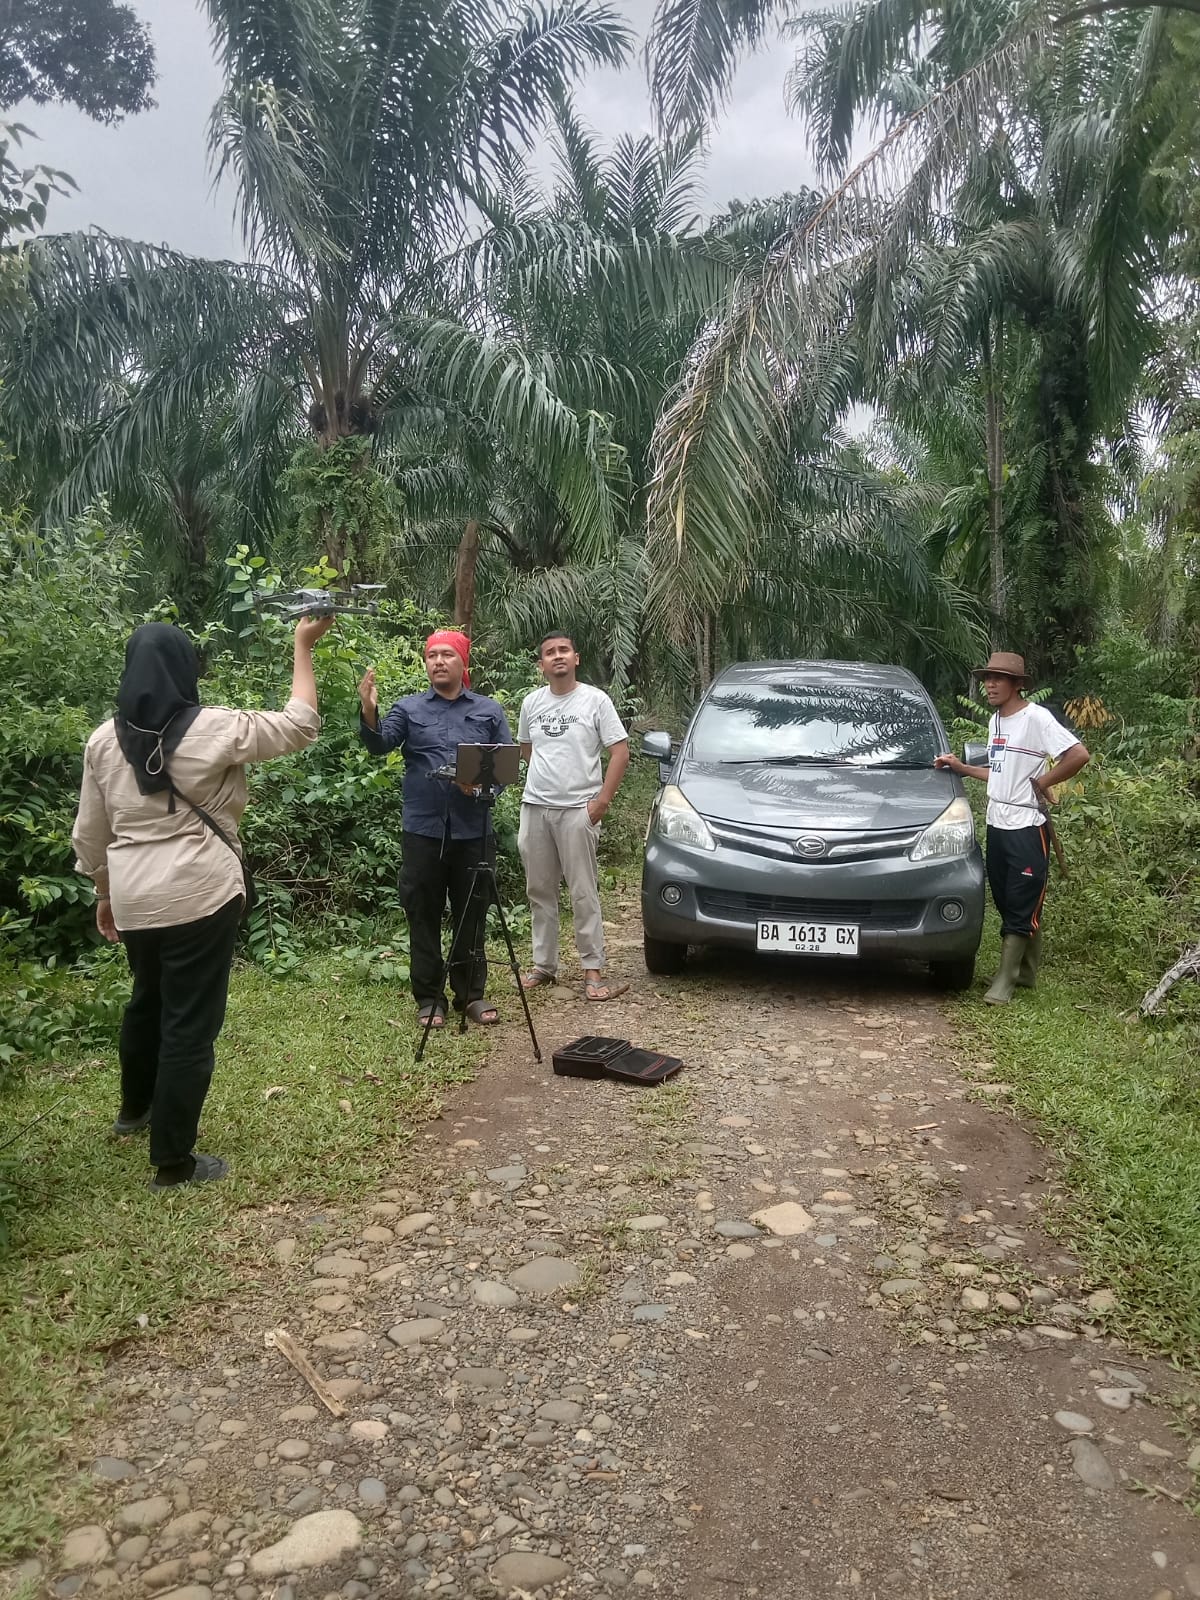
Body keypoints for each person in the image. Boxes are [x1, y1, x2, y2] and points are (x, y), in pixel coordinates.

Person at [72, 615, 333, 1188]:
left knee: (147, 1000)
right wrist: (301, 645)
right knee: (188, 1023)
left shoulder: (101, 740)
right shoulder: (214, 727)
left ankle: (133, 1110)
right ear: (187, 668)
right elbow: (301, 724)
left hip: (135, 895)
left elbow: (91, 835)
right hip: (201, 893)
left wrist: (104, 893)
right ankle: (173, 1161)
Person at [358, 630, 512, 1029]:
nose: (438, 661)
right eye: (431, 656)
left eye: (446, 655)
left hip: (473, 830)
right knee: (422, 912)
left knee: (472, 913)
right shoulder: (408, 709)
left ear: (464, 664)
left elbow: (505, 768)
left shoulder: (489, 710)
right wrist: (369, 710)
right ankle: (429, 998)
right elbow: (380, 745)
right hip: (423, 830)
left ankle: (470, 996)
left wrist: (479, 786)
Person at [935, 651, 1090, 1004]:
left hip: (1026, 824)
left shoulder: (1036, 718)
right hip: (997, 821)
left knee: (1022, 898)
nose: (989, 684)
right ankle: (1026, 970)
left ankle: (1005, 981)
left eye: (998, 678)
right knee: (1006, 895)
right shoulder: (995, 722)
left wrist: (1044, 780)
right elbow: (999, 772)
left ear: (1017, 685)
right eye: (987, 678)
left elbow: (1079, 754)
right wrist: (961, 767)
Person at [517, 631, 630, 1001]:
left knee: (583, 890)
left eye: (564, 649)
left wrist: (600, 802)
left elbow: (620, 751)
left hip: (579, 810)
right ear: (541, 665)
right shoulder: (532, 703)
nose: (557, 656)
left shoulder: (595, 701)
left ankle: (592, 970)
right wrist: (545, 782)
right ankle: (543, 966)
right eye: (549, 652)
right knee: (539, 889)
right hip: (535, 808)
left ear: (576, 657)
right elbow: (525, 748)